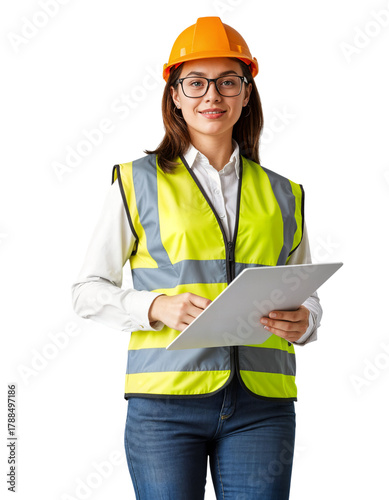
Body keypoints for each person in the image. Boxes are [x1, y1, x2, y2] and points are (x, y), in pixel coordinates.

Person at [71, 16, 322, 500]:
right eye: (196, 82)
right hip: (166, 405)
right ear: (175, 96)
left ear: (246, 94)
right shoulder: (136, 181)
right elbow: (86, 292)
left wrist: (305, 322)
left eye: (229, 82)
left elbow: (305, 292)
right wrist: (154, 307)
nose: (213, 96)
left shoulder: (286, 194)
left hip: (262, 407)